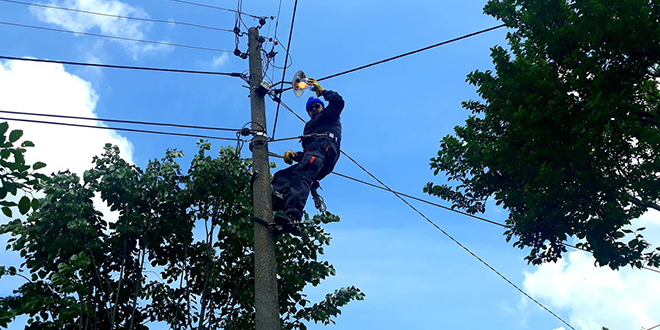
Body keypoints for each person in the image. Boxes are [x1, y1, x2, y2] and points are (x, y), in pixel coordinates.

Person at [271, 78, 344, 235]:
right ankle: (281, 199)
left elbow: (338, 102)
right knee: (282, 176)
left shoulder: (329, 115)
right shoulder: (310, 127)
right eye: (310, 109)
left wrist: (322, 91)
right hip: (317, 158)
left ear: (322, 106)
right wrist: (295, 155)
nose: (314, 110)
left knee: (301, 177)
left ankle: (293, 215)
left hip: (324, 153)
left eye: (316, 106)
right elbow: (311, 152)